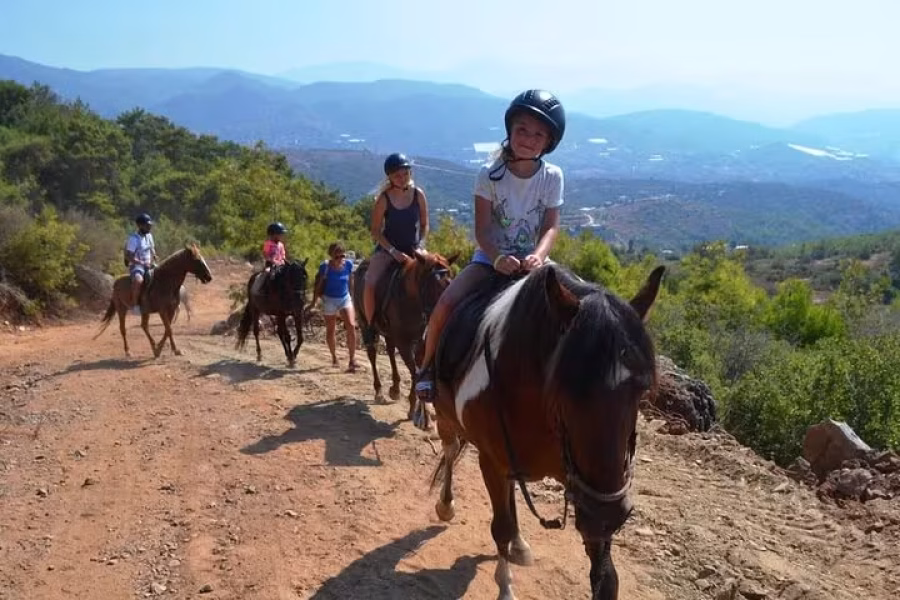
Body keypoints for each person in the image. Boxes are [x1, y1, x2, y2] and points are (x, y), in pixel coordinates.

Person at [414, 89, 566, 402]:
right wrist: (497, 258)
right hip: (490, 259)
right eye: (522, 129)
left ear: (549, 142)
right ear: (510, 129)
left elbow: (551, 226)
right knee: (445, 304)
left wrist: (538, 256)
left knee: (576, 308)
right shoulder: (489, 175)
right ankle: (427, 368)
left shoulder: (553, 176)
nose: (529, 138)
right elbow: (482, 230)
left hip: (534, 262)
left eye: (538, 134)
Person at [361, 152, 429, 343]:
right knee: (370, 282)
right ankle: (370, 325)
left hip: (413, 248)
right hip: (388, 250)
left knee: (435, 275)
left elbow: (425, 224)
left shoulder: (418, 194)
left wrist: (421, 245)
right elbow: (376, 231)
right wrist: (392, 251)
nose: (402, 178)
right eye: (397, 175)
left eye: (405, 173)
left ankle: (434, 320)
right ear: (389, 177)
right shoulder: (383, 199)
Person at [310, 242, 358, 372]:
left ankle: (352, 360)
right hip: (329, 299)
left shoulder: (348, 265)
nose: (340, 259)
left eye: (342, 256)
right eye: (337, 257)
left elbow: (350, 282)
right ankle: (334, 357)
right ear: (331, 256)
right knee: (331, 330)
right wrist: (314, 302)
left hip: (344, 298)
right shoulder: (325, 267)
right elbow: (318, 285)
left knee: (351, 325)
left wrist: (353, 298)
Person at [124, 212, 159, 313]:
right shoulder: (133, 239)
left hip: (149, 264)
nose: (149, 227)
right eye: (147, 225)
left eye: (150, 225)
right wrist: (142, 263)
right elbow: (129, 256)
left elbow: (151, 248)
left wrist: (154, 255)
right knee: (138, 281)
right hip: (137, 266)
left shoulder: (149, 236)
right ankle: (135, 305)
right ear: (140, 225)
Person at [252, 222, 288, 296]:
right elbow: (265, 254)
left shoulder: (281, 245)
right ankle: (258, 289)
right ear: (273, 234)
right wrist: (272, 260)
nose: (281, 235)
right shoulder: (268, 244)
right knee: (267, 273)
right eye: (280, 234)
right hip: (271, 264)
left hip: (281, 264)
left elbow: (283, 254)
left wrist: (283, 260)